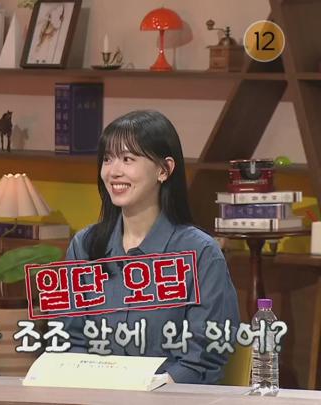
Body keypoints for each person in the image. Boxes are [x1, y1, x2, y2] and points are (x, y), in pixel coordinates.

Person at [62, 110, 240, 384]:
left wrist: (152, 388)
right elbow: (69, 339)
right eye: (107, 159)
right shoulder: (84, 247)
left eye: (127, 159)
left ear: (164, 170)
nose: (113, 171)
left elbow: (204, 356)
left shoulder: (201, 253)